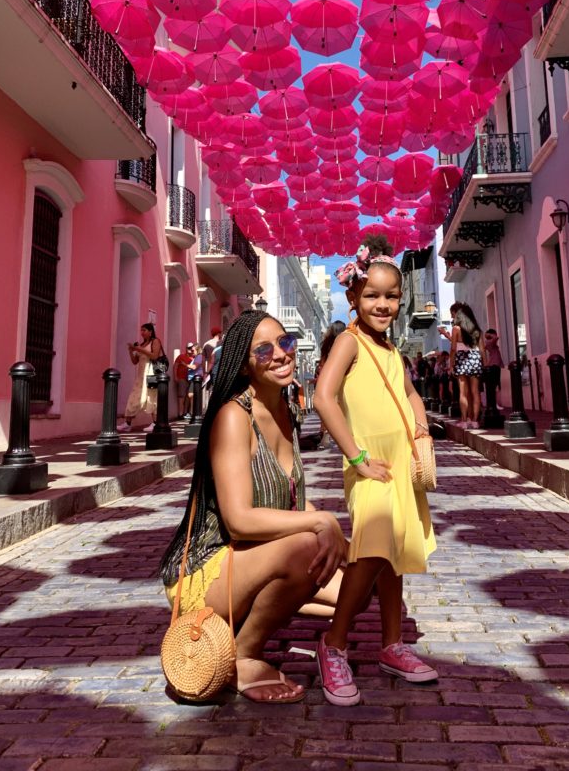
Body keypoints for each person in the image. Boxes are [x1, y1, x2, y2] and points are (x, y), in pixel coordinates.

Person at [159, 310, 348, 704]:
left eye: (285, 342)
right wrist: (321, 522)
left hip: (249, 559)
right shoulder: (233, 416)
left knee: (359, 587)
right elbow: (239, 520)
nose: (279, 354)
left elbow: (291, 499)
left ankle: (250, 611)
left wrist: (341, 540)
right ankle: (243, 655)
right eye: (263, 349)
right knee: (308, 546)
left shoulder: (287, 410)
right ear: (244, 364)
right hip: (207, 570)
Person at [313, 235, 437, 707]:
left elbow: (410, 394)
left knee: (394, 554)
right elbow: (324, 398)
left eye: (391, 297)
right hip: (371, 467)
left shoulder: (391, 351)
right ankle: (334, 643)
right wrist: (358, 458)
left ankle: (391, 643)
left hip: (401, 466)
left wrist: (420, 428)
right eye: (372, 295)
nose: (382, 304)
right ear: (352, 298)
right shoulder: (349, 343)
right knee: (368, 552)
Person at [440, 303, 485, 429]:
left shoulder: (456, 329)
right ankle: (475, 421)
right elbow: (482, 349)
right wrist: (484, 363)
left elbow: (453, 348)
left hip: (462, 358)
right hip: (475, 358)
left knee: (463, 392)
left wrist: (451, 365)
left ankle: (465, 420)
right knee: (475, 392)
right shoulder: (477, 330)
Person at [123, 322, 163, 427]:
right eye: (141, 330)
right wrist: (131, 351)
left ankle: (155, 423)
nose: (142, 333)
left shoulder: (155, 341)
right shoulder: (141, 345)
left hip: (152, 373)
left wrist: (139, 349)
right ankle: (128, 423)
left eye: (144, 330)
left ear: (150, 332)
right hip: (141, 376)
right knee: (134, 396)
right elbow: (135, 361)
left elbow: (154, 356)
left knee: (152, 396)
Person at [483, 329, 505, 409]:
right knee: (493, 385)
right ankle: (493, 403)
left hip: (494, 364)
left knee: (494, 385)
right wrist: (490, 335)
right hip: (494, 365)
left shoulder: (488, 343)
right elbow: (496, 338)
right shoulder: (490, 342)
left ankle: (493, 403)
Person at [173, 342, 196, 420]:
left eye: (191, 348)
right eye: (188, 348)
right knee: (181, 396)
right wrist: (175, 376)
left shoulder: (194, 358)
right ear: (186, 348)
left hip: (190, 379)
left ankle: (185, 412)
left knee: (188, 397)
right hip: (182, 378)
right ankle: (180, 413)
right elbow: (175, 366)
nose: (190, 350)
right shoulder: (181, 356)